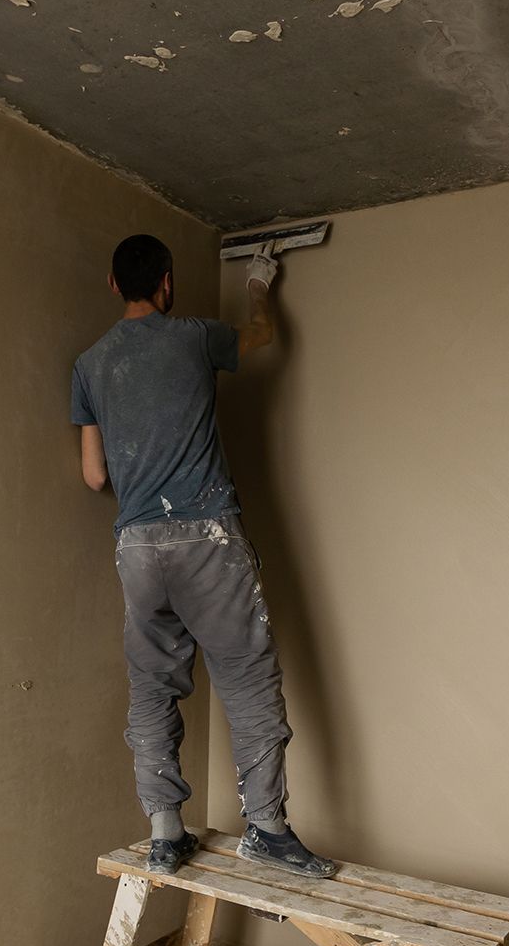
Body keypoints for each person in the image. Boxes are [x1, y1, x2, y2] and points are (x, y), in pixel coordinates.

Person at [70, 233, 336, 879]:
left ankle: (165, 830)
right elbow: (261, 337)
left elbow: (94, 477)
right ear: (165, 283)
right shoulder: (193, 335)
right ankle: (267, 829)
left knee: (153, 687)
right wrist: (258, 282)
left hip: (136, 548)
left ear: (113, 285)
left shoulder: (88, 365)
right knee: (246, 679)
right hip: (206, 539)